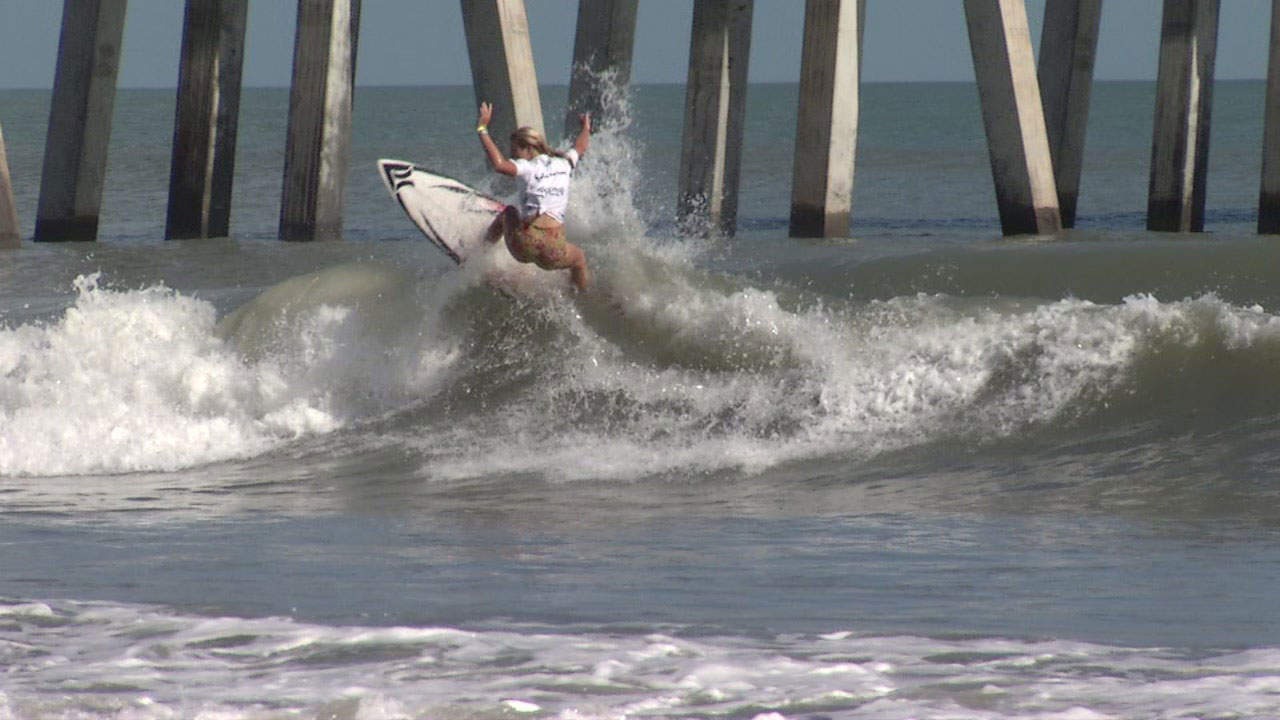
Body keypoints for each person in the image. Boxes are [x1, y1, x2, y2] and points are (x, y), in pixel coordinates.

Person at [475, 101, 592, 291]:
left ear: (527, 148)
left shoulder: (527, 167)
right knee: (579, 260)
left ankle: (480, 252)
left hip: (524, 244)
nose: (515, 156)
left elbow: (499, 164)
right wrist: (586, 128)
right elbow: (581, 146)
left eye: (515, 151)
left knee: (508, 212)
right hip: (553, 248)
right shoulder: (565, 163)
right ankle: (581, 296)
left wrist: (482, 128)